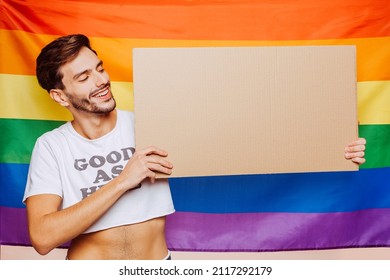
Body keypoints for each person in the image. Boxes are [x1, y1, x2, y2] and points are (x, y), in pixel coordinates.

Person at [23, 34, 366, 260]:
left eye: (99, 68)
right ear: (59, 95)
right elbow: (43, 237)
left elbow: (253, 132)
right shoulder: (51, 147)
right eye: (84, 78)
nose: (101, 81)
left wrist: (337, 145)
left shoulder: (154, 120)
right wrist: (124, 179)